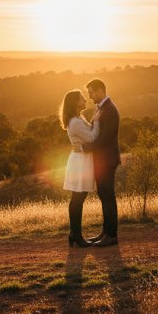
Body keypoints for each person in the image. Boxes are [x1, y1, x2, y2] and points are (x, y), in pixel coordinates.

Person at [78, 78, 121, 247]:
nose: (89, 97)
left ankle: (112, 236)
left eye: (91, 93)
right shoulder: (101, 108)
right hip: (101, 160)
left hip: (107, 160)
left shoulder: (109, 110)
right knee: (104, 196)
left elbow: (104, 139)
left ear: (99, 91)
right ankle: (106, 232)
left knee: (108, 196)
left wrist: (84, 147)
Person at [60, 89, 98, 247]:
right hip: (80, 163)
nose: (85, 99)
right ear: (75, 102)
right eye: (82, 98)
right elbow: (91, 137)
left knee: (77, 199)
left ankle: (74, 234)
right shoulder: (75, 121)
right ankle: (76, 235)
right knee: (78, 199)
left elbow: (87, 140)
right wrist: (97, 120)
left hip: (81, 160)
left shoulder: (77, 118)